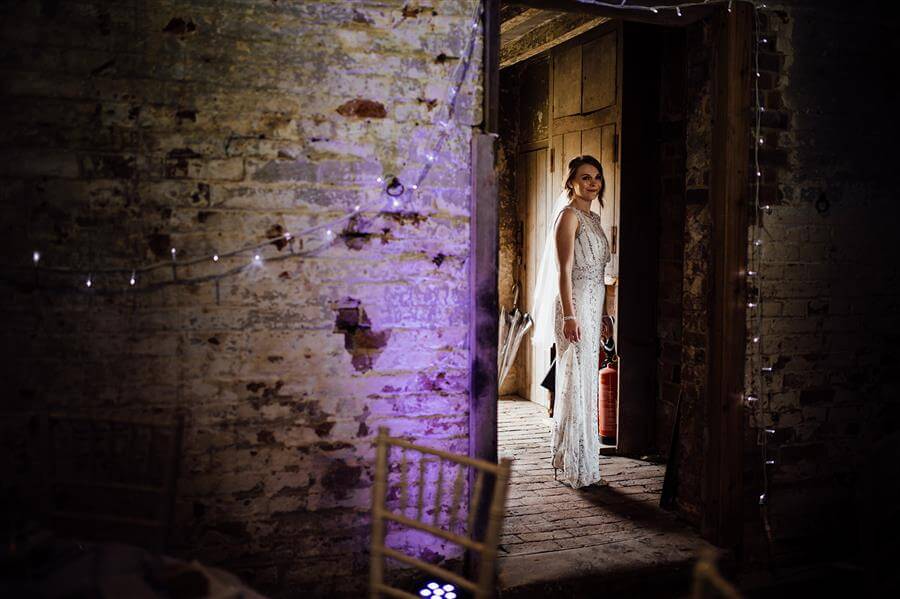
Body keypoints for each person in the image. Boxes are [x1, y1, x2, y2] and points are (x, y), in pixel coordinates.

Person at [531, 155, 612, 489]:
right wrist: (569, 315)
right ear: (571, 183)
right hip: (574, 307)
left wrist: (605, 313)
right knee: (575, 379)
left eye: (596, 177)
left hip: (593, 309)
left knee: (587, 382)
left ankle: (584, 459)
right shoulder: (568, 217)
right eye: (584, 177)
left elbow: (599, 274)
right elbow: (564, 271)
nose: (592, 183)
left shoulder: (594, 219)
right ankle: (575, 462)